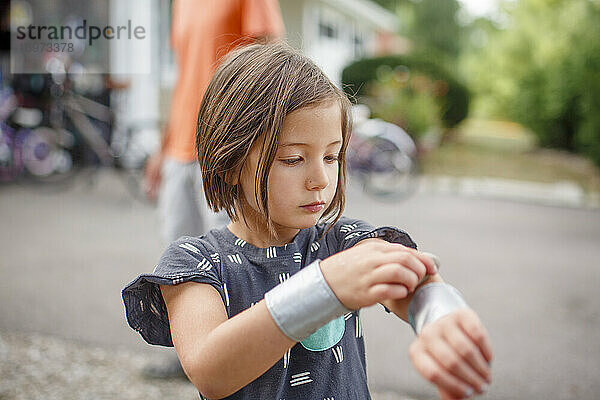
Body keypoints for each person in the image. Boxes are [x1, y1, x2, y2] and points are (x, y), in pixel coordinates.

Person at [123, 42, 493, 399]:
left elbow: (417, 281)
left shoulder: (344, 242)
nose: (320, 179)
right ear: (230, 164)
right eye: (294, 159)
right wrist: (324, 288)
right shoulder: (195, 263)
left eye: (331, 157)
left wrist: (443, 318)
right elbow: (210, 372)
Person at [141, 0, 284, 378]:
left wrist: (261, 141)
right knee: (182, 260)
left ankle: (249, 362)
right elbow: (185, 78)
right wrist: (161, 149)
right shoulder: (181, 4)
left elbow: (272, 57)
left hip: (223, 147)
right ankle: (191, 356)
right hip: (179, 152)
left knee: (234, 257)